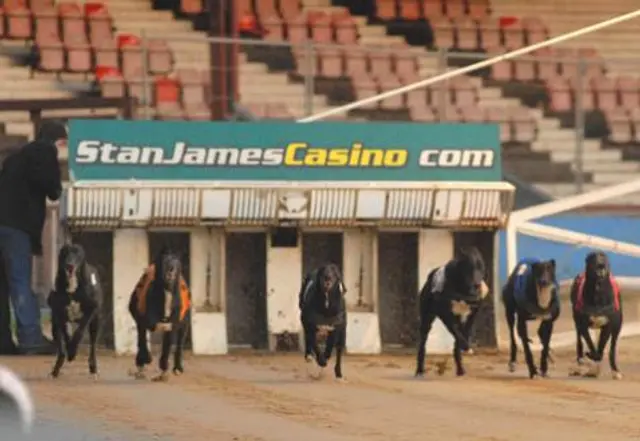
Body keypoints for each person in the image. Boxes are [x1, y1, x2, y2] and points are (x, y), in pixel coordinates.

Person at [0, 120, 65, 355]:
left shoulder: (13, 159)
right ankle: (30, 339)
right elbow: (52, 188)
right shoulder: (45, 152)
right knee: (20, 283)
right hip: (17, 228)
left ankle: (3, 341)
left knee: (2, 287)